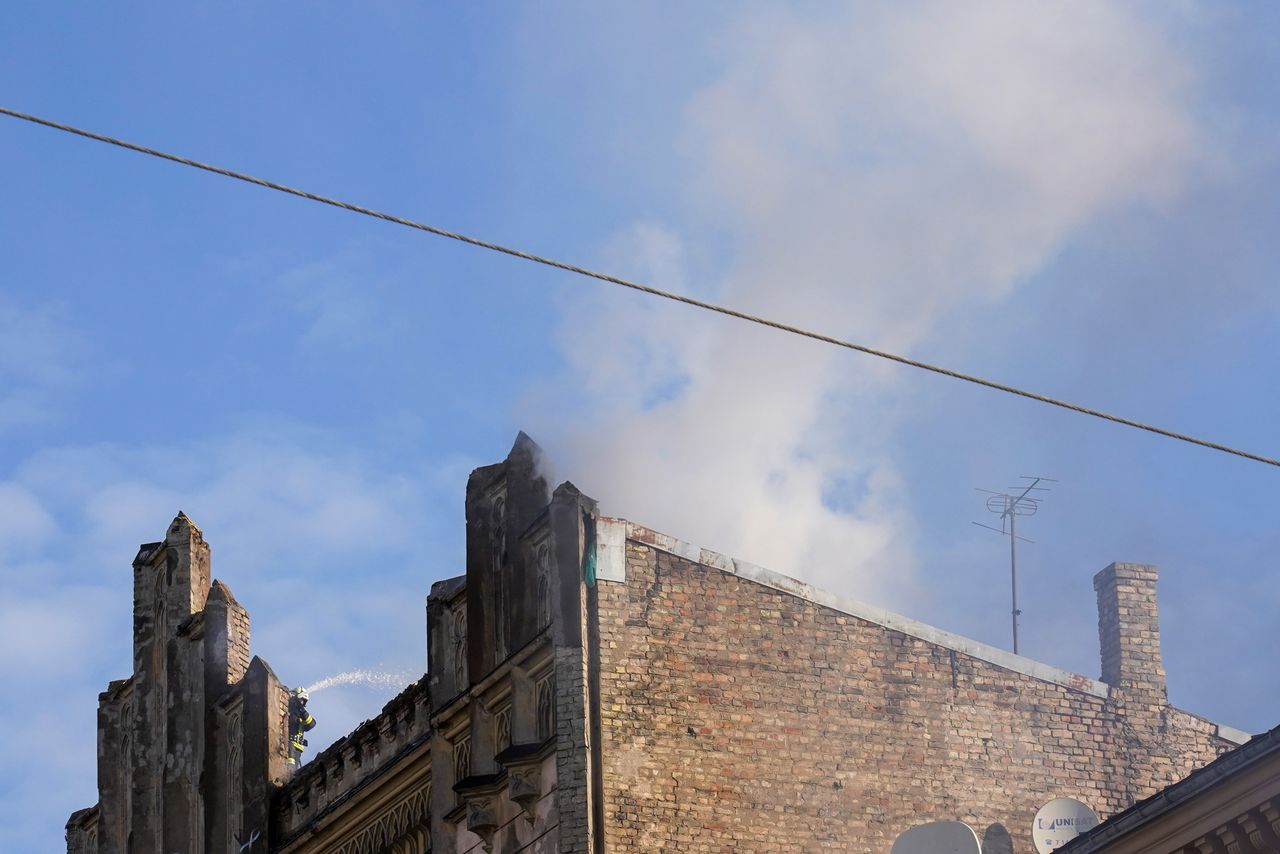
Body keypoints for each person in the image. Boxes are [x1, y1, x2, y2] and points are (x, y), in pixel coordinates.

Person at [287, 686, 317, 767]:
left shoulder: (301, 714)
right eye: (300, 700)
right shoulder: (287, 711)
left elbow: (311, 724)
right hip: (287, 745)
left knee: (292, 769)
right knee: (289, 767)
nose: (302, 703)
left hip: (297, 748)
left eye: (303, 701)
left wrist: (300, 708)